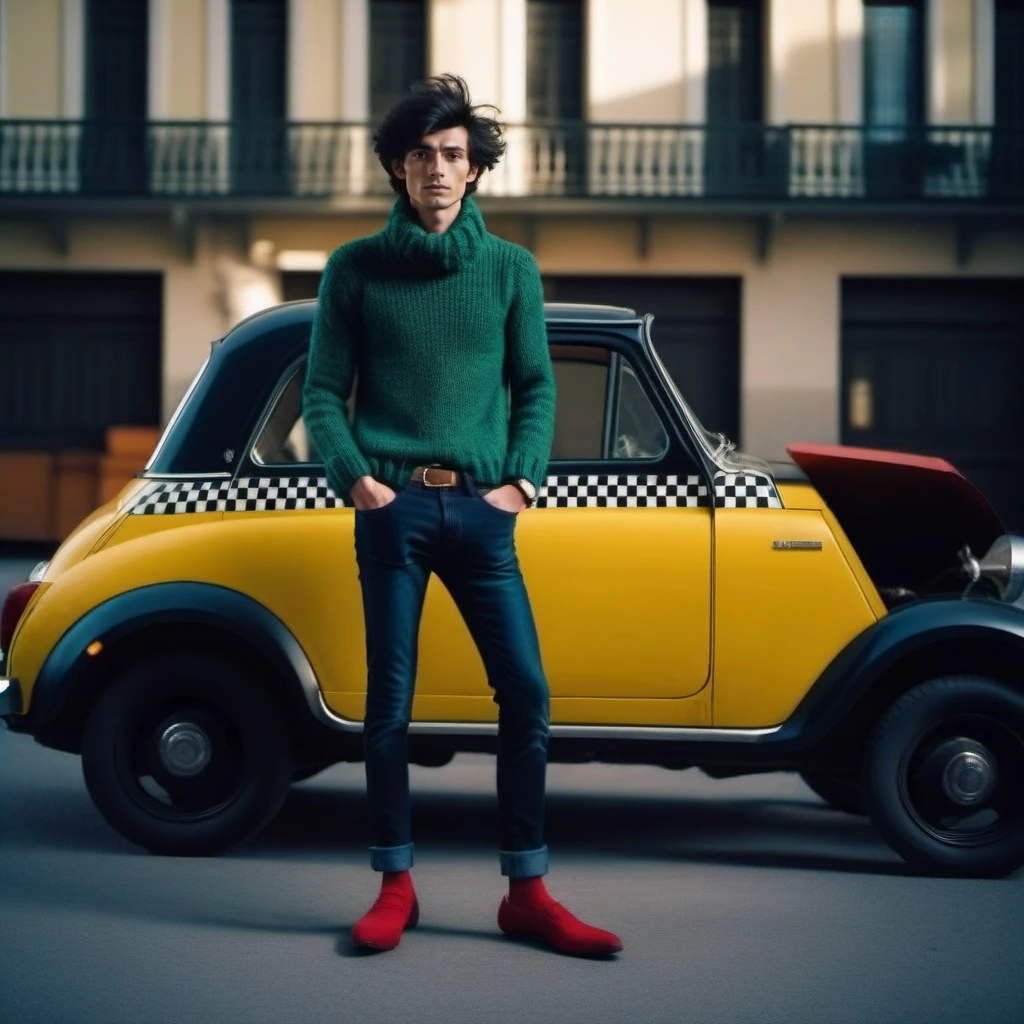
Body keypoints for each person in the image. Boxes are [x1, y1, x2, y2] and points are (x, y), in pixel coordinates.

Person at [301, 72, 623, 959]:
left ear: (475, 170)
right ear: (397, 169)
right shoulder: (354, 269)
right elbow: (322, 393)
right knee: (390, 708)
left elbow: (535, 387)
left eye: (454, 155)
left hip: (484, 517)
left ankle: (526, 891)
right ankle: (394, 884)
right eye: (420, 156)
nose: (438, 170)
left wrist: (519, 483)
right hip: (392, 511)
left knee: (526, 693)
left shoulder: (511, 269)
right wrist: (359, 478)